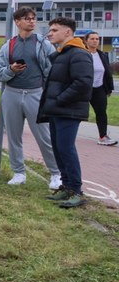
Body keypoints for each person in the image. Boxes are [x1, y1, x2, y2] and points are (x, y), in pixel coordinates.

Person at [0, 7, 62, 189]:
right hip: (12, 93)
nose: (31, 21)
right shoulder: (10, 45)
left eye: (33, 18)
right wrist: (11, 70)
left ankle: (56, 173)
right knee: (14, 136)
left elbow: (52, 69)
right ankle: (19, 172)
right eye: (27, 18)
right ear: (17, 22)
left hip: (35, 93)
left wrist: (49, 91)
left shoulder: (43, 43)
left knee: (44, 136)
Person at [38, 17, 92, 208]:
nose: (50, 33)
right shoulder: (63, 53)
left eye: (54, 30)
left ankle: (77, 191)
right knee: (60, 149)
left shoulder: (78, 54)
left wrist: (60, 100)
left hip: (68, 110)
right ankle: (66, 187)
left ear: (68, 32)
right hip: (58, 110)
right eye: (50, 30)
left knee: (66, 149)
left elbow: (83, 83)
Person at [83, 31, 116, 146]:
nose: (95, 41)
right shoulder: (81, 54)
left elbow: (107, 73)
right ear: (86, 41)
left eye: (97, 39)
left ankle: (103, 136)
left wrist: (109, 89)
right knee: (78, 112)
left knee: (101, 113)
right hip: (84, 89)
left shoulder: (102, 55)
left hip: (99, 89)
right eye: (92, 39)